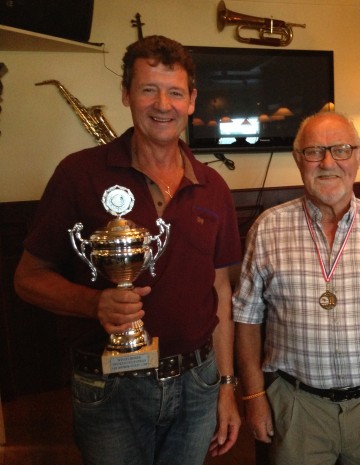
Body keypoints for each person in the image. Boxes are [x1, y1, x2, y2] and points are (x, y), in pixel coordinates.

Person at [13, 35, 241, 465]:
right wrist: (93, 303)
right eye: (148, 89)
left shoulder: (214, 188)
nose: (163, 104)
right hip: (109, 388)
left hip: (197, 385)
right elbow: (27, 278)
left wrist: (227, 385)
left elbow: (220, 293)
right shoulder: (78, 174)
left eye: (175, 92)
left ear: (192, 100)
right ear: (126, 94)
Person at [233, 111, 360, 465]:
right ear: (299, 160)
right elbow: (247, 322)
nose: (328, 162)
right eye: (314, 151)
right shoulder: (268, 229)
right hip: (297, 409)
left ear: (357, 156)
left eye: (341, 150)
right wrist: (253, 396)